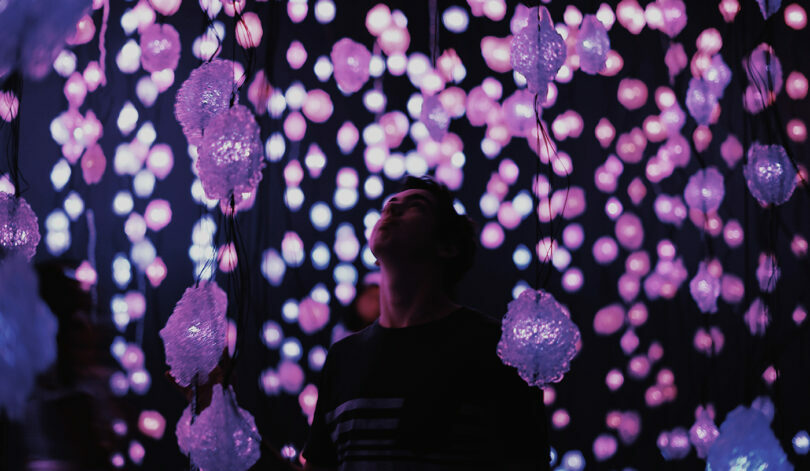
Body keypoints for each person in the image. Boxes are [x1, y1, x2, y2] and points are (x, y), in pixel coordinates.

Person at [300, 176, 550, 470]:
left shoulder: (499, 349)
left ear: (447, 247)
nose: (392, 209)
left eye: (415, 206)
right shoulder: (342, 359)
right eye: (388, 206)